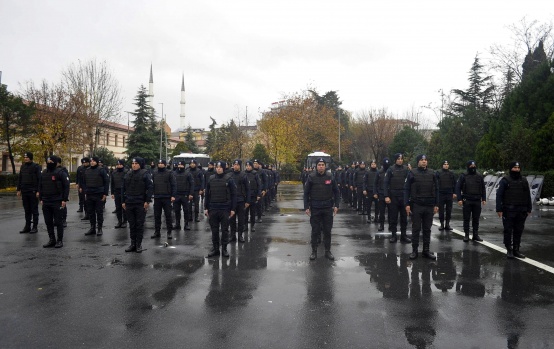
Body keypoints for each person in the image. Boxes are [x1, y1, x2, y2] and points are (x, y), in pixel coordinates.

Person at [303, 158, 340, 261]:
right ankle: (314, 251)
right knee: (315, 230)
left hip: (327, 208)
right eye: (319, 165)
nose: (321, 166)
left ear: (325, 166)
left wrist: (336, 205)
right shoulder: (311, 177)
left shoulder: (330, 177)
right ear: (316, 166)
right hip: (315, 208)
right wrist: (306, 207)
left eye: (322, 165)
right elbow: (306, 193)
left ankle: (327, 251)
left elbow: (336, 192)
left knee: (327, 231)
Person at [404, 154, 439, 260]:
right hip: (417, 205)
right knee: (416, 229)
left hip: (429, 205)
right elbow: (406, 189)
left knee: (427, 229)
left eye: (425, 160)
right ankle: (414, 251)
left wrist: (437, 204)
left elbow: (437, 189)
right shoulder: (412, 173)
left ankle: (426, 251)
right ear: (418, 162)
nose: (424, 161)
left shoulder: (432, 173)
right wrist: (407, 204)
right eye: (422, 160)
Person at [495, 161, 532, 259]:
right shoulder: (505, 180)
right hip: (508, 210)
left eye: (518, 168)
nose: (517, 169)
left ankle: (516, 249)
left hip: (521, 210)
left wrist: (529, 208)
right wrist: (499, 209)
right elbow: (499, 195)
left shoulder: (524, 180)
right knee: (508, 230)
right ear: (511, 168)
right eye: (515, 168)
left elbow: (527, 195)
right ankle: (509, 249)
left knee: (518, 230)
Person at [204, 161, 237, 258]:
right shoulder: (211, 179)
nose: (218, 169)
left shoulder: (229, 179)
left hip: (225, 208)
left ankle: (224, 249)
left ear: (223, 168)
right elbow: (207, 195)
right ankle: (215, 249)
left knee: (225, 230)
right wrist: (206, 208)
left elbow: (234, 194)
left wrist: (233, 209)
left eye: (220, 167)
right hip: (213, 208)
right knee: (214, 230)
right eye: (217, 167)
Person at [122, 157, 153, 253]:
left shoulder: (145, 174)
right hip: (129, 202)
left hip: (140, 203)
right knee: (131, 224)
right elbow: (123, 189)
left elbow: (150, 187)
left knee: (139, 224)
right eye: (132, 163)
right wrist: (123, 201)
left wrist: (147, 201)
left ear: (140, 164)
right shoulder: (128, 174)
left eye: (136, 163)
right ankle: (132, 244)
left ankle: (139, 244)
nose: (134, 165)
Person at [38, 156, 69, 248]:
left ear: (55, 163)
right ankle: (52, 239)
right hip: (46, 201)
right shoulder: (44, 173)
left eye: (51, 161)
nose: (49, 163)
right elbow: (40, 186)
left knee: (58, 222)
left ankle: (59, 240)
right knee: (48, 222)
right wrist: (41, 198)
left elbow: (66, 186)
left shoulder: (61, 173)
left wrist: (64, 199)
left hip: (57, 200)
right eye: (48, 161)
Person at [455, 160, 486, 242]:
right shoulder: (463, 176)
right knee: (466, 218)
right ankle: (466, 235)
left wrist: (484, 199)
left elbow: (483, 188)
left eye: (474, 166)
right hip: (467, 200)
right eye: (471, 166)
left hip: (477, 200)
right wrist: (459, 199)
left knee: (476, 219)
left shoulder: (479, 176)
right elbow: (458, 187)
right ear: (468, 167)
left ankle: (475, 235)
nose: (473, 167)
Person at [384, 153, 411, 243]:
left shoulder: (406, 169)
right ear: (395, 160)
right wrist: (386, 196)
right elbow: (386, 183)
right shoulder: (390, 170)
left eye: (401, 159)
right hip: (393, 197)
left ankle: (403, 235)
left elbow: (410, 182)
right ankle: (393, 235)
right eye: (398, 159)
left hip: (403, 196)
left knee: (404, 217)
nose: (400, 160)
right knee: (393, 217)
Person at [81, 156, 109, 236]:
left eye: (94, 161)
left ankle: (99, 228)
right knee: (91, 212)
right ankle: (92, 228)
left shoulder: (101, 170)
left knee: (99, 212)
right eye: (91, 161)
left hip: (99, 194)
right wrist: (85, 192)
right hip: (89, 194)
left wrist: (105, 194)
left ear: (96, 162)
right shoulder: (87, 170)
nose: (92, 162)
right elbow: (84, 182)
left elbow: (106, 182)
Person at [151, 159, 176, 240]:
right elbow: (152, 184)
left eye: (162, 163)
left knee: (168, 215)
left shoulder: (169, 173)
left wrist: (173, 196)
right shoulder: (154, 173)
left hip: (167, 197)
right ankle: (157, 232)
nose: (160, 164)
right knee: (157, 216)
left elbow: (173, 185)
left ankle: (169, 232)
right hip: (157, 197)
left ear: (165, 164)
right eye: (159, 163)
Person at [16, 152, 41, 234]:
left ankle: (35, 227)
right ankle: (27, 226)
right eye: (24, 157)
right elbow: (20, 178)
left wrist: (38, 191)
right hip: (25, 191)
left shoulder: (36, 167)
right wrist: (18, 189)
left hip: (33, 191)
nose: (25, 158)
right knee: (27, 210)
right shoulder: (23, 166)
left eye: (27, 157)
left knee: (34, 210)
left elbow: (39, 179)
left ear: (30, 158)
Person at [230, 159, 250, 243]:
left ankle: (240, 235)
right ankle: (232, 235)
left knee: (241, 219)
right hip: (231, 201)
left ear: (240, 166)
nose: (236, 166)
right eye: (234, 164)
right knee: (232, 219)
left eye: (237, 165)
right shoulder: (229, 175)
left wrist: (247, 201)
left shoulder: (243, 175)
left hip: (241, 200)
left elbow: (248, 189)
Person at [436, 160, 456, 231]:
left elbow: (454, 184)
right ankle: (441, 224)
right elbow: (436, 183)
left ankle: (447, 224)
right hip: (441, 194)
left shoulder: (451, 173)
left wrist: (454, 192)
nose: (446, 165)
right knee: (441, 210)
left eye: (447, 164)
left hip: (449, 194)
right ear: (442, 165)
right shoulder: (438, 173)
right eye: (445, 164)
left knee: (449, 210)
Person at [173, 161, 194, 231]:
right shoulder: (174, 173)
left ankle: (186, 224)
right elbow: (171, 184)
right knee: (176, 210)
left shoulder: (188, 174)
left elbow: (192, 184)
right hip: (176, 195)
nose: (180, 166)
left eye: (181, 165)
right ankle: (177, 224)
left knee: (186, 210)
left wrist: (191, 194)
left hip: (185, 195)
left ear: (184, 166)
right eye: (179, 165)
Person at [374, 157, 390, 231]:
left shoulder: (391, 171)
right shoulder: (379, 172)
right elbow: (375, 183)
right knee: (382, 211)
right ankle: (381, 225)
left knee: (391, 211)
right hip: (381, 193)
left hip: (390, 194)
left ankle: (391, 225)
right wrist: (375, 192)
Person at [244, 160, 261, 233]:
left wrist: (258, 194)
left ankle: (252, 225)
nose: (248, 167)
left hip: (253, 196)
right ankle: (245, 225)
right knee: (245, 212)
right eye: (247, 166)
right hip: (245, 196)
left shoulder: (255, 174)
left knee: (252, 212)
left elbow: (259, 185)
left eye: (249, 166)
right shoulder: (243, 174)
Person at [111, 159, 128, 229]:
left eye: (120, 164)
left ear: (123, 165)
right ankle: (119, 221)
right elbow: (112, 183)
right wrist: (112, 193)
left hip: (124, 192)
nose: (119, 166)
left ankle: (125, 221)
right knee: (118, 207)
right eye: (118, 164)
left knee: (124, 207)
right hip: (116, 191)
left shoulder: (126, 172)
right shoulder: (114, 172)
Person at [56, 159, 70, 228]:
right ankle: (56, 220)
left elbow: (66, 183)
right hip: (54, 192)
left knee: (62, 206)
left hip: (61, 191)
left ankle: (64, 220)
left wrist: (65, 195)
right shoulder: (51, 170)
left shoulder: (63, 170)